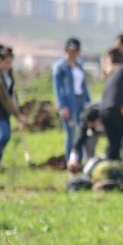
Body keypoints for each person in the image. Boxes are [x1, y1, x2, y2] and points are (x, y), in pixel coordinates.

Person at [53, 37, 91, 167]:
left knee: (82, 130)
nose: (74, 53)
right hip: (69, 103)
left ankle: (79, 159)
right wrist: (62, 105)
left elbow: (84, 85)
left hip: (81, 100)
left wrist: (88, 102)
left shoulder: (79, 65)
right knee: (71, 132)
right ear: (66, 49)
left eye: (76, 51)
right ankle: (71, 161)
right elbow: (58, 88)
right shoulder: (60, 67)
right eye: (72, 50)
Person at [68, 103, 103, 170]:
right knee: (89, 139)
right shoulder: (86, 119)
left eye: (92, 123)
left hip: (109, 128)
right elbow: (79, 140)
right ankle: (90, 165)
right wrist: (73, 158)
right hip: (95, 131)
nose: (90, 125)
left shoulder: (108, 114)